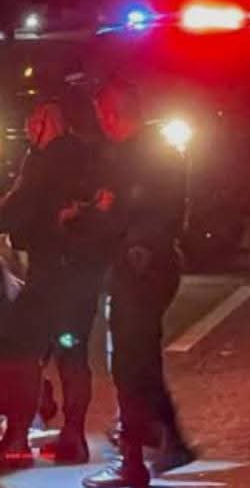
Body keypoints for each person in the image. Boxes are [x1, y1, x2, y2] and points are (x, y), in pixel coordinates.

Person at [82, 78, 194, 488]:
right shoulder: (149, 151)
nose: (102, 121)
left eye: (103, 113)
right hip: (145, 264)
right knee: (139, 360)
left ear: (114, 113)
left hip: (141, 267)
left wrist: (112, 218)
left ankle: (133, 460)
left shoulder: (140, 155)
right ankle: (164, 439)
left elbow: (147, 213)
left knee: (131, 364)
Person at [0, 102, 98, 468]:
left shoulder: (44, 161)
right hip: (81, 272)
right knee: (72, 352)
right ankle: (73, 436)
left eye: (34, 123)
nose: (28, 129)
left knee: (20, 349)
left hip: (51, 271)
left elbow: (18, 206)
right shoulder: (87, 155)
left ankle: (17, 440)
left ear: (49, 124)